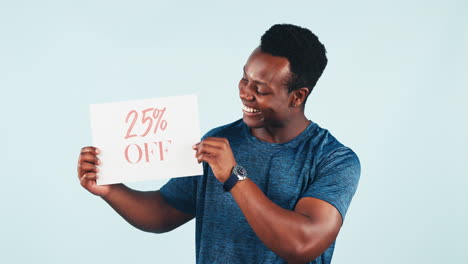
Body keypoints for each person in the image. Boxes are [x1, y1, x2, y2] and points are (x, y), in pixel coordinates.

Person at [78, 24, 360, 264]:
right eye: (244, 79)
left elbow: (302, 244)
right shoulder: (220, 141)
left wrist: (234, 177)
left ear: (297, 97)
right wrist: (111, 190)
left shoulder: (333, 159)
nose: (246, 94)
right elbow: (164, 211)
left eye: (260, 89)